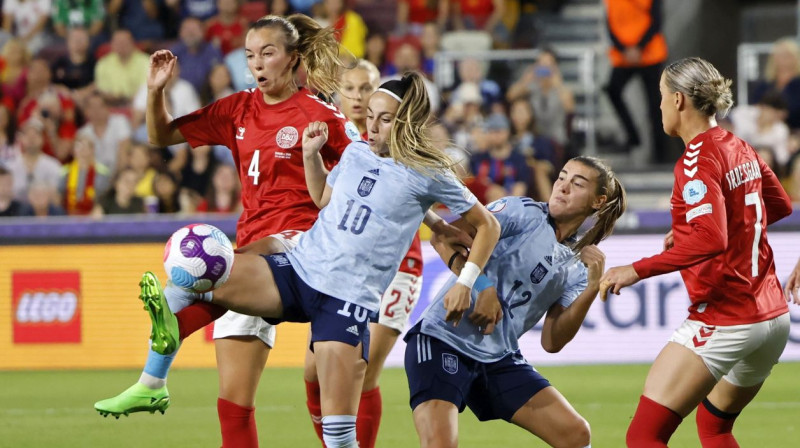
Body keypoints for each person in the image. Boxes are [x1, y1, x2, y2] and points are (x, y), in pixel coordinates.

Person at [140, 71, 501, 448]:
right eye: (371, 116)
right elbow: (324, 199)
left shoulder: (429, 172)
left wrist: (467, 282)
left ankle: (159, 363)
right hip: (300, 269)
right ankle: (156, 368)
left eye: (385, 118)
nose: (372, 126)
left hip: (346, 300)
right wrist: (311, 157)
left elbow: (487, 226)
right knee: (206, 274)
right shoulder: (357, 149)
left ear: (407, 122)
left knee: (339, 437)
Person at [94, 14, 359, 448]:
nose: (257, 63)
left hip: (301, 245)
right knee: (233, 406)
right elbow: (161, 136)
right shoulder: (238, 108)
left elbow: (366, 174)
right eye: (250, 55)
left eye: (268, 53)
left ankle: (171, 335)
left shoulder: (320, 116)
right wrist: (156, 89)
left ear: (293, 59)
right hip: (248, 250)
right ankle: (152, 381)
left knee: (201, 275)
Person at [600, 57, 794, 448]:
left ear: (677, 101)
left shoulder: (695, 160)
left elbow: (711, 240)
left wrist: (635, 270)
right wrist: (692, 227)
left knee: (643, 435)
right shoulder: (739, 146)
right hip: (772, 317)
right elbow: (780, 206)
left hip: (728, 318)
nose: (657, 107)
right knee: (714, 426)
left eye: (658, 97)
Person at [408, 156, 626, 448]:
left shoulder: (576, 264)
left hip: (497, 357)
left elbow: (552, 341)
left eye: (577, 183)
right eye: (561, 177)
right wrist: (482, 287)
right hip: (442, 339)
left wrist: (591, 287)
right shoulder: (520, 212)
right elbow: (444, 238)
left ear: (598, 202)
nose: (562, 187)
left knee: (576, 434)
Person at [303, 59, 425, 447]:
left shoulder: (401, 143)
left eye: (366, 89)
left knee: (362, 372)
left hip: (396, 270)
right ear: (339, 93)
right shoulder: (341, 138)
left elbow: (428, 203)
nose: (358, 97)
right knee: (312, 373)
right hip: (342, 269)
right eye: (351, 89)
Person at [604, 0, 668, 161]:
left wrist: (638, 47)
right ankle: (633, 137)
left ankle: (660, 153)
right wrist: (624, 49)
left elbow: (656, 21)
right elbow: (610, 25)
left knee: (655, 104)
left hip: (650, 54)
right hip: (624, 56)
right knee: (612, 89)